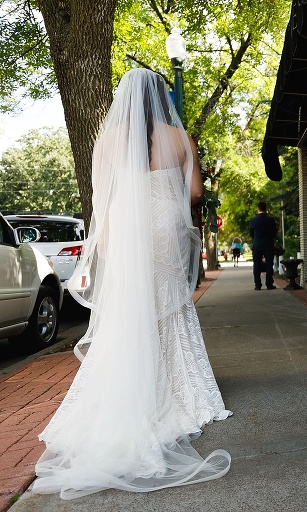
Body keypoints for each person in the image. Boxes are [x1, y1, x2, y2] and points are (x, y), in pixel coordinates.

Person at [32, 68, 232, 499]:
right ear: (161, 98)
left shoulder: (107, 140)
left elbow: (101, 194)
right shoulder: (180, 139)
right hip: (162, 224)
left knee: (130, 305)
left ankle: (129, 384)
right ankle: (179, 386)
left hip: (125, 228)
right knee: (169, 300)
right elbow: (195, 194)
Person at [248, 201, 278, 290]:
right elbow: (274, 232)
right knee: (269, 264)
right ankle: (269, 284)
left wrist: (256, 239)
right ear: (266, 209)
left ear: (258, 209)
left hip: (257, 244)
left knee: (256, 264)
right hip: (268, 244)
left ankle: (258, 285)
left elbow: (251, 233)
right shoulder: (271, 220)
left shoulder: (253, 220)